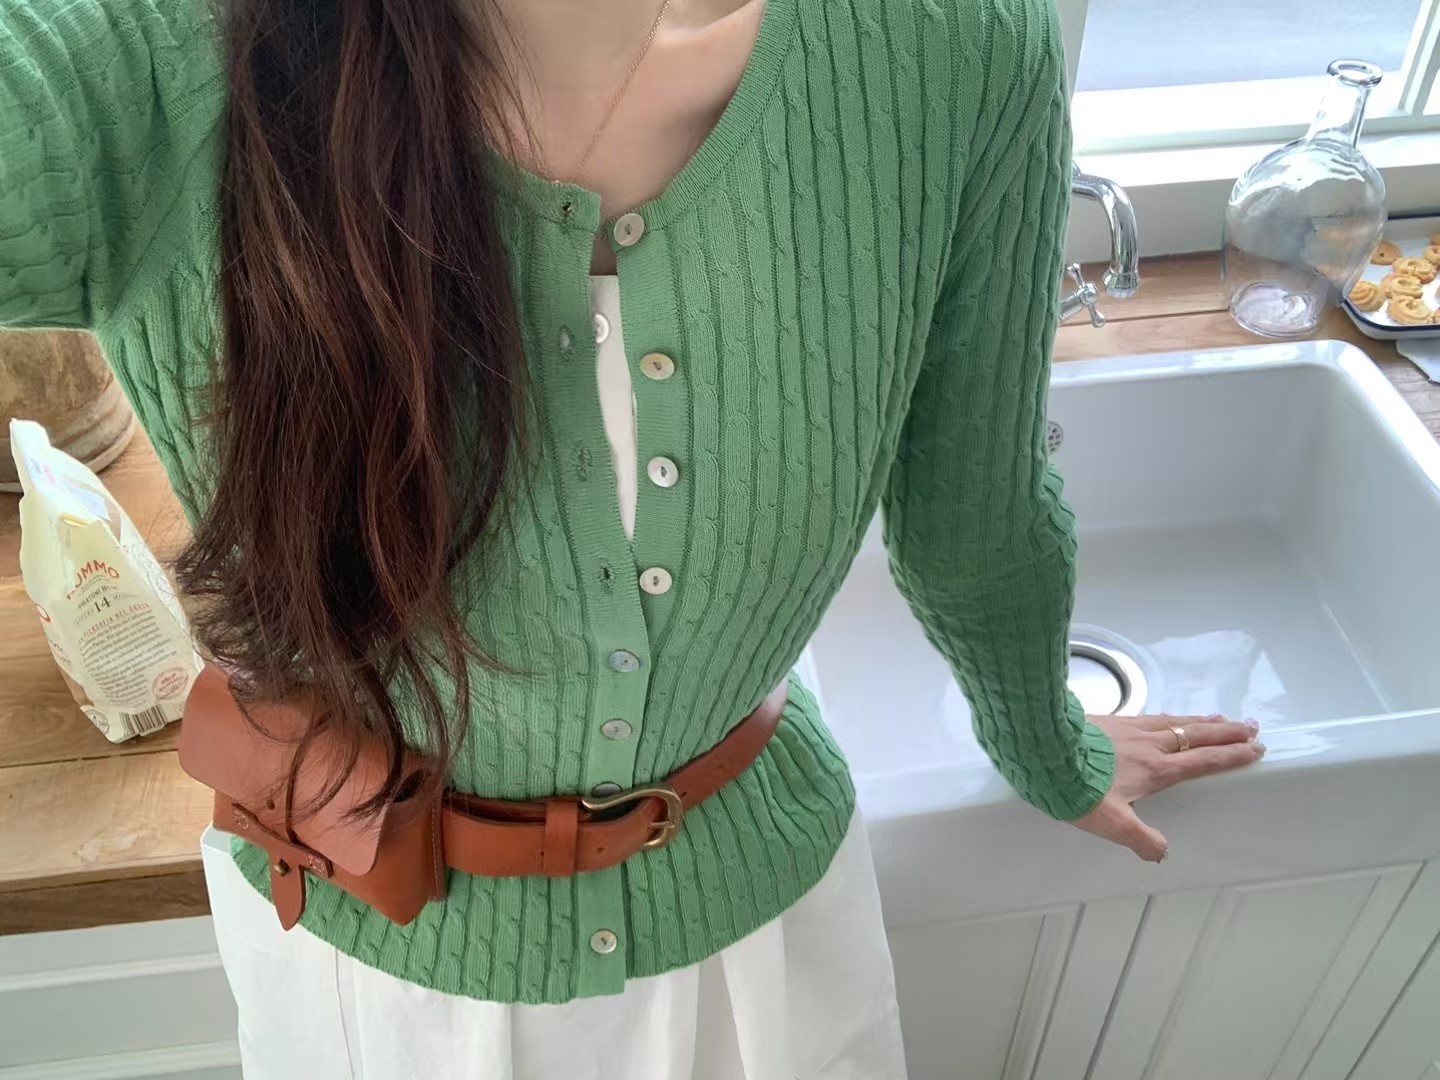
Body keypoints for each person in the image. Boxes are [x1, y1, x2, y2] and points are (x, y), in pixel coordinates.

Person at [0, 0, 1265, 1076]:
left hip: (762, 940)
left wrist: (1045, 744)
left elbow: (976, 500)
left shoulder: (957, 41)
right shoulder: (138, 57)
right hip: (367, 959)